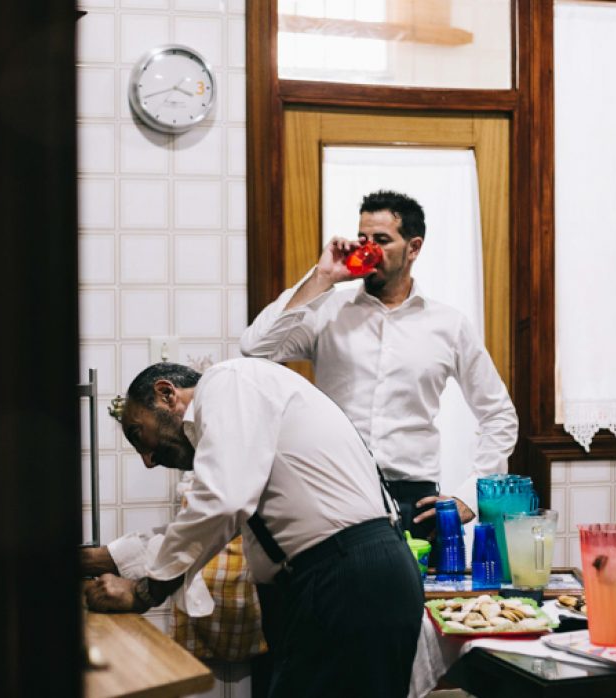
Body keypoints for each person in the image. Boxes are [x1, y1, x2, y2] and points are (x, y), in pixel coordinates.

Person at [84, 359, 423, 698]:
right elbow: (203, 522)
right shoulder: (244, 425)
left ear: (166, 394)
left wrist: (145, 591)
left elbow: (219, 505)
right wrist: (98, 559)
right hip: (348, 577)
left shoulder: (226, 382)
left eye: (138, 434)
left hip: (349, 578)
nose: (148, 460)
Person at [240, 190, 518, 538]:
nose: (368, 249)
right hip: (334, 491)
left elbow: (499, 416)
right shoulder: (328, 311)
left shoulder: (449, 325)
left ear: (413, 248)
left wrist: (470, 496)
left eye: (382, 240)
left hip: (414, 500)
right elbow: (255, 347)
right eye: (363, 239)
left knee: (423, 577)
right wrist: (321, 277)